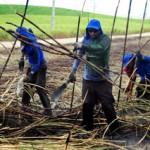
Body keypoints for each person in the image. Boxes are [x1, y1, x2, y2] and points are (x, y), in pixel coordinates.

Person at [69, 19, 119, 132]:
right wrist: (73, 71)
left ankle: (115, 130)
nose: (92, 33)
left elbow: (100, 49)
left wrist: (83, 46)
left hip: (103, 79)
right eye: (90, 31)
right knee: (87, 104)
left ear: (99, 30)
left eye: (95, 31)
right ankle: (88, 128)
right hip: (88, 79)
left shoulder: (105, 39)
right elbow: (79, 56)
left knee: (107, 104)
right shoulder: (86, 40)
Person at [16, 26, 52, 116]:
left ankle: (48, 110)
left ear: (25, 36)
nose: (19, 39)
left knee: (39, 87)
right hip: (32, 65)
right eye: (18, 37)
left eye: (20, 37)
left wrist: (31, 73)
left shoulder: (34, 45)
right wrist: (21, 59)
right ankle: (25, 107)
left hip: (40, 66)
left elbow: (38, 62)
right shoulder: (22, 41)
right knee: (27, 85)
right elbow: (23, 49)